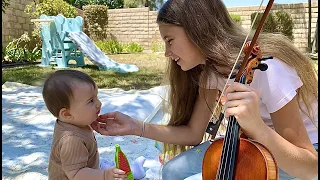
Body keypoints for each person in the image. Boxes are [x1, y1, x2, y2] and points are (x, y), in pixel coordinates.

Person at [91, 0, 318, 179]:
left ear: (198, 32)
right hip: (253, 141)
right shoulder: (211, 73)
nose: (166, 52)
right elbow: (193, 133)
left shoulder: (270, 71)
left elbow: (310, 168)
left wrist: (257, 127)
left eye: (169, 40)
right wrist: (135, 127)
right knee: (172, 171)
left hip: (300, 152)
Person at [42, 70, 127, 180]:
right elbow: (77, 174)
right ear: (67, 114)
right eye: (91, 101)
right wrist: (105, 175)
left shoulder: (73, 121)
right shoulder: (72, 140)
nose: (99, 103)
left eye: (96, 96)